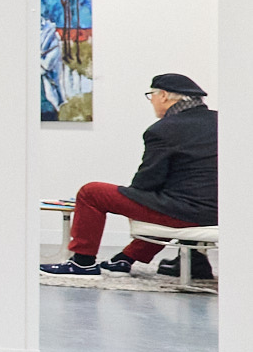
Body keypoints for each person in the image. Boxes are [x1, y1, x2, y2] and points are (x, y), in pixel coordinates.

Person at [44, 73, 216, 279]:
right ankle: (131, 259)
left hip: (188, 212)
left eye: (151, 95)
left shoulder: (164, 129)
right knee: (167, 201)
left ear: (163, 96)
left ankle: (82, 263)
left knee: (91, 193)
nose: (151, 101)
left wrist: (132, 193)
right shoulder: (221, 121)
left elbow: (148, 181)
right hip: (221, 212)